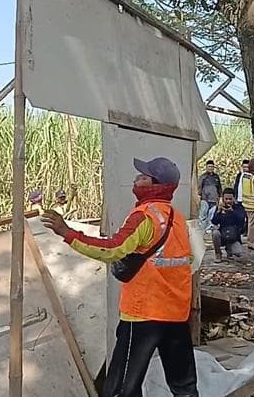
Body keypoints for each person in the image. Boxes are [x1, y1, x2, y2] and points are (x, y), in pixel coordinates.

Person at [41, 157, 198, 397]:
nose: (136, 179)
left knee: (123, 387)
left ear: (156, 185)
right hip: (176, 313)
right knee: (184, 386)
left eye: (143, 176)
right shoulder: (177, 218)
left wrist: (67, 232)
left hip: (143, 313)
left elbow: (112, 249)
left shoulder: (144, 217)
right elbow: (191, 259)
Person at [211, 188, 247, 262]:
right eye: (226, 199)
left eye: (230, 199)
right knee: (215, 233)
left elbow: (242, 220)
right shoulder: (220, 207)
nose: (228, 201)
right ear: (223, 198)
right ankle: (218, 254)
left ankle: (229, 251)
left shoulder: (238, 207)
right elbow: (214, 222)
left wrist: (232, 212)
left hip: (234, 236)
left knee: (238, 253)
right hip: (222, 234)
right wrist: (218, 212)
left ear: (234, 198)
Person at [198, 160, 222, 233]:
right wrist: (198, 196)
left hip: (214, 199)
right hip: (205, 199)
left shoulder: (216, 177)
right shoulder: (203, 177)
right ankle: (202, 229)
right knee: (203, 215)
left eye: (212, 166)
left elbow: (219, 188)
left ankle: (208, 228)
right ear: (206, 167)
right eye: (209, 166)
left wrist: (220, 197)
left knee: (211, 215)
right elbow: (199, 187)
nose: (210, 168)